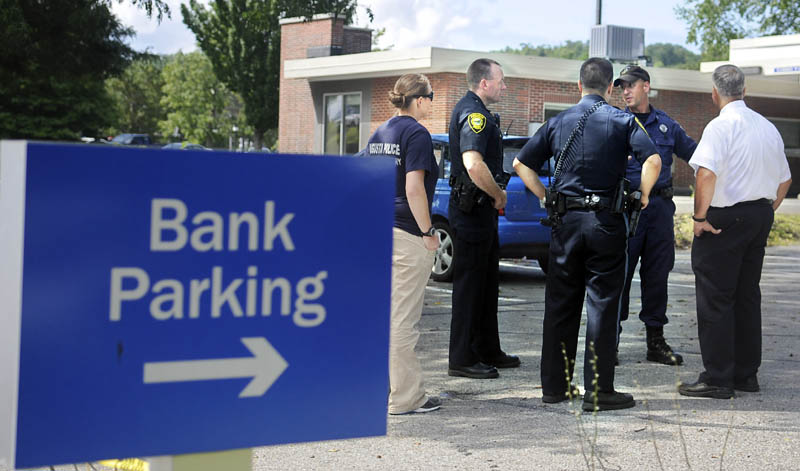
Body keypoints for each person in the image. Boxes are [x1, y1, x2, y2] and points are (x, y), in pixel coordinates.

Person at [513, 58, 661, 411]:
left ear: (578, 86)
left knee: (560, 306)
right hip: (606, 225)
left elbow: (521, 164)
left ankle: (555, 387)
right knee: (602, 307)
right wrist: (644, 195)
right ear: (610, 88)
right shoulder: (624, 120)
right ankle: (599, 391)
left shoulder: (558, 121)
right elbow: (652, 161)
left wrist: (546, 197)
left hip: (565, 224)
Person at [678, 64, 792, 399]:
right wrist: (764, 211)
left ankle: (718, 378)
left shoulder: (720, 126)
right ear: (745, 91)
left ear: (715, 93)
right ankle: (745, 374)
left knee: (716, 297)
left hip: (724, 220)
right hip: (758, 216)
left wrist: (699, 217)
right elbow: (785, 180)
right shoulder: (768, 127)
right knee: (746, 296)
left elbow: (706, 175)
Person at [366, 73, 442, 414]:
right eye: (431, 96)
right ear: (420, 99)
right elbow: (414, 188)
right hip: (407, 235)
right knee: (402, 320)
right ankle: (406, 398)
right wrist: (428, 233)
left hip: (379, 230)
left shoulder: (381, 132)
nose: (431, 102)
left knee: (383, 316)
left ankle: (380, 390)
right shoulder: (417, 133)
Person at [614, 66, 697, 366]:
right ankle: (612, 341)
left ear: (646, 87)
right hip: (626, 209)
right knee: (619, 275)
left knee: (658, 275)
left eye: (631, 85)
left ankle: (655, 341)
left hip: (660, 210)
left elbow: (698, 157)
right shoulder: (616, 123)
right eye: (622, 86)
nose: (625, 91)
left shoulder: (667, 126)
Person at [447, 58, 520, 379]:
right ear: (484, 82)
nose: (504, 87)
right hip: (472, 211)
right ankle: (462, 357)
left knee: (487, 284)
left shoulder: (481, 112)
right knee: (470, 286)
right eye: (501, 81)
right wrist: (498, 195)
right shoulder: (473, 114)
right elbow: (473, 164)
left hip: (481, 213)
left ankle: (487, 348)